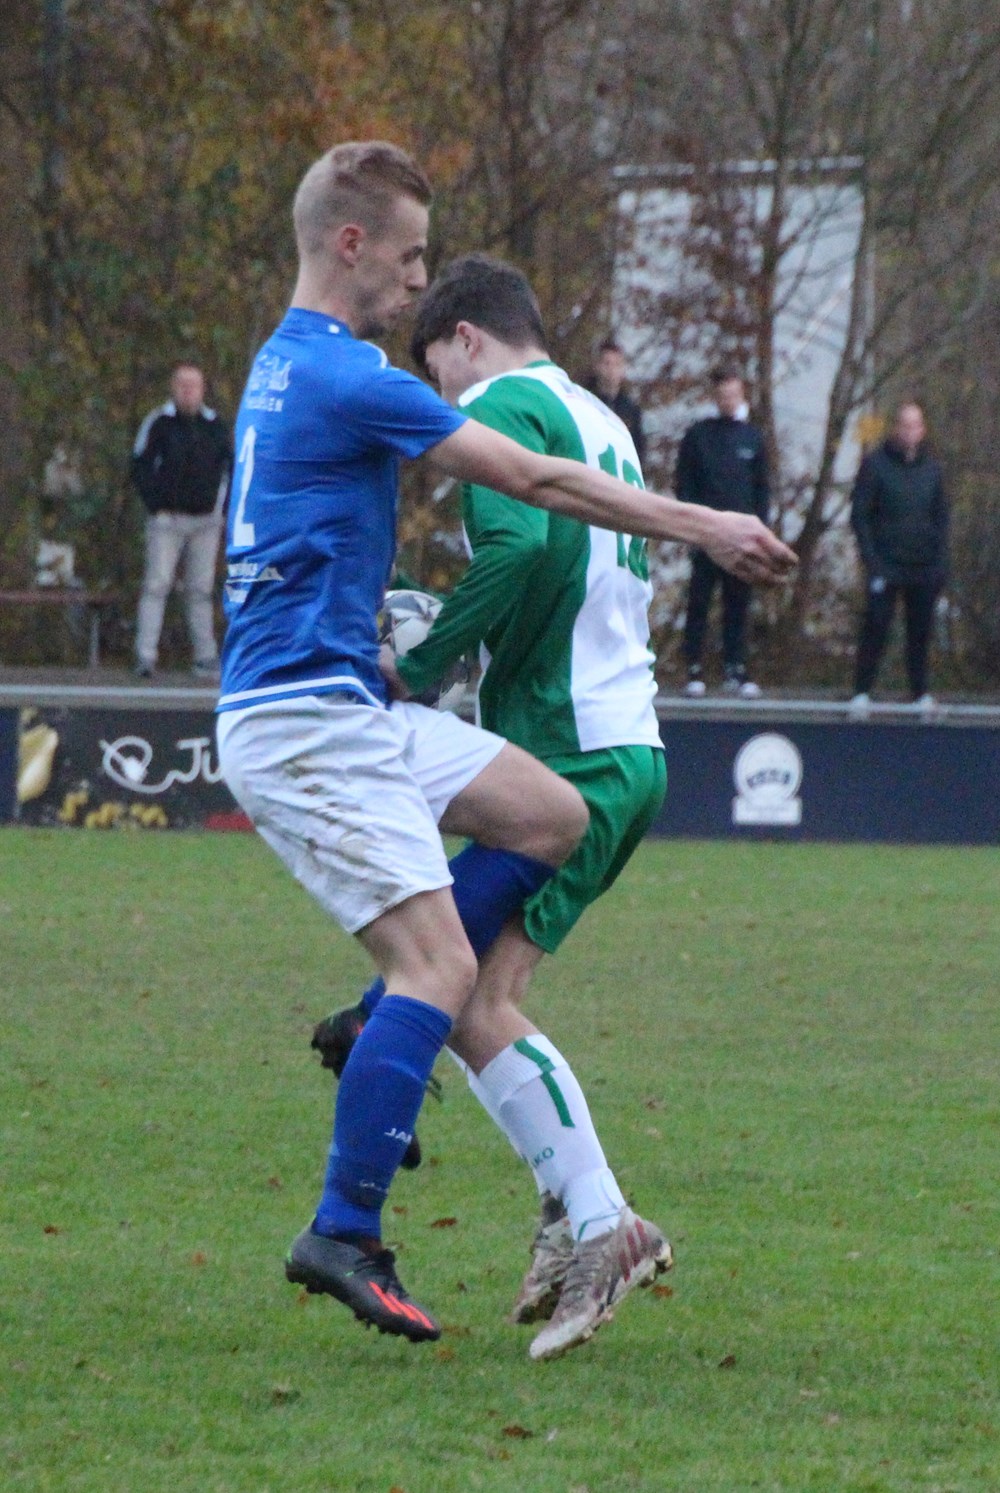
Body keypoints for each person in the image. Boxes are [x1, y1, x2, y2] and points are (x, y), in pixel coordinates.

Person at [214, 140, 795, 1349]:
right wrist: (704, 524)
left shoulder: (283, 363)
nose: (417, 281)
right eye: (409, 255)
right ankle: (343, 1226)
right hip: (306, 719)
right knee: (442, 974)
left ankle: (381, 1028)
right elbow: (535, 484)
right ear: (351, 243)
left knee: (547, 815)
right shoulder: (351, 375)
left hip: (340, 701)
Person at [315, 252, 677, 1359]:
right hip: (621, 741)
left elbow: (517, 545)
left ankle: (600, 1217)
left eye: (435, 370)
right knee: (474, 991)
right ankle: (573, 1204)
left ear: (465, 339)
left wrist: (424, 665)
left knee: (466, 999)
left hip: (570, 753)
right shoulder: (599, 416)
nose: (439, 401)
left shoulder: (499, 404)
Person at [131, 362, 232, 678]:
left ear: (202, 390)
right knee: (156, 585)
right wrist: (156, 504)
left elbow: (231, 469)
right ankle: (145, 656)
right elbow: (140, 464)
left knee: (200, 589)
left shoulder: (215, 425)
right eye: (182, 385)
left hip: (206, 522)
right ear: (172, 388)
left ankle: (205, 656)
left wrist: (222, 510)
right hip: (167, 520)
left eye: (194, 385)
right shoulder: (158, 423)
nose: (188, 391)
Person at [848, 400, 948, 716]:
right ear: (895, 428)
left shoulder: (932, 469)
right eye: (905, 425)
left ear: (923, 430)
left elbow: (941, 517)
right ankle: (861, 692)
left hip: (923, 566)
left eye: (915, 426)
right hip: (886, 564)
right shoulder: (875, 465)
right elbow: (860, 515)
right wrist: (872, 559)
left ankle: (920, 693)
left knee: (920, 631)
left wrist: (939, 562)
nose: (910, 432)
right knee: (876, 626)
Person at [676, 366, 771, 698]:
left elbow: (762, 489)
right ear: (715, 397)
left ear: (741, 395)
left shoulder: (753, 438)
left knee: (738, 604)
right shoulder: (698, 436)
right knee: (699, 601)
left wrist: (760, 533)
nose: (728, 401)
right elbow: (684, 484)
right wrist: (693, 527)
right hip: (706, 535)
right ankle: (694, 667)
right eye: (723, 395)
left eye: (734, 394)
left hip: (741, 539)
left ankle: (736, 667)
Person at [584, 337, 646, 468]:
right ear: (597, 366)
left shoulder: (631, 411)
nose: (611, 370)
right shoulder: (585, 403)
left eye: (617, 364)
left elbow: (639, 450)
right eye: (606, 363)